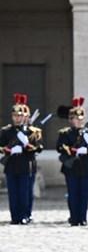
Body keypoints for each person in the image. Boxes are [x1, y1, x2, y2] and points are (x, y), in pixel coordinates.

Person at [1, 93, 43, 224]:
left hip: (26, 164)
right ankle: (15, 216)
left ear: (26, 116)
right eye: (15, 115)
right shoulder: (6, 131)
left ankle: (25, 215)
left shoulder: (33, 132)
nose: (17, 118)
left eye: (20, 115)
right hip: (12, 164)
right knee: (13, 193)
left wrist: (26, 145)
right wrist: (8, 150)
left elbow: (38, 148)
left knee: (25, 192)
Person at [56, 97, 88, 226]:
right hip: (71, 166)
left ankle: (82, 218)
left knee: (84, 194)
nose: (78, 121)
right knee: (72, 193)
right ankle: (74, 217)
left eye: (80, 118)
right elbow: (60, 147)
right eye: (75, 118)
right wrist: (73, 150)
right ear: (70, 119)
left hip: (85, 166)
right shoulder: (65, 133)